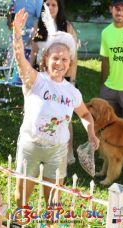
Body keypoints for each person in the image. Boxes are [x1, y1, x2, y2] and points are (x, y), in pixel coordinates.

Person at [12, 9, 99, 228]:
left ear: (70, 63)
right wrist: (16, 35)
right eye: (55, 58)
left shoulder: (72, 92)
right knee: (22, 193)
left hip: (57, 149)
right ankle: (20, 223)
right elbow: (20, 59)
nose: (59, 63)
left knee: (53, 196)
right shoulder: (35, 81)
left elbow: (86, 115)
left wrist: (91, 133)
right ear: (46, 60)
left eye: (64, 59)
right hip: (31, 145)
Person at [29, 0, 78, 164]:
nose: (50, 8)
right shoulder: (38, 25)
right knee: (42, 113)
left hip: (62, 78)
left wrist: (71, 80)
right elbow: (33, 52)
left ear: (59, 7)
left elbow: (73, 58)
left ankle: (68, 151)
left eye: (54, 4)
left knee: (64, 116)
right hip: (41, 77)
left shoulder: (67, 26)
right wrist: (29, 75)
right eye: (47, 4)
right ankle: (41, 148)